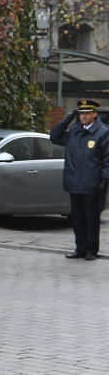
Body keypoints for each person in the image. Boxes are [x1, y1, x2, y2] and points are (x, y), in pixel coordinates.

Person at [51, 100, 109, 261]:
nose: (83, 116)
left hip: (92, 184)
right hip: (74, 183)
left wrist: (105, 180)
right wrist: (66, 121)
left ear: (94, 114)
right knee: (77, 219)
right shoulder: (74, 131)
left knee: (91, 219)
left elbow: (107, 160)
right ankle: (80, 248)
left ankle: (91, 250)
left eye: (87, 113)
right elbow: (54, 137)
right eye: (81, 113)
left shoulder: (103, 132)